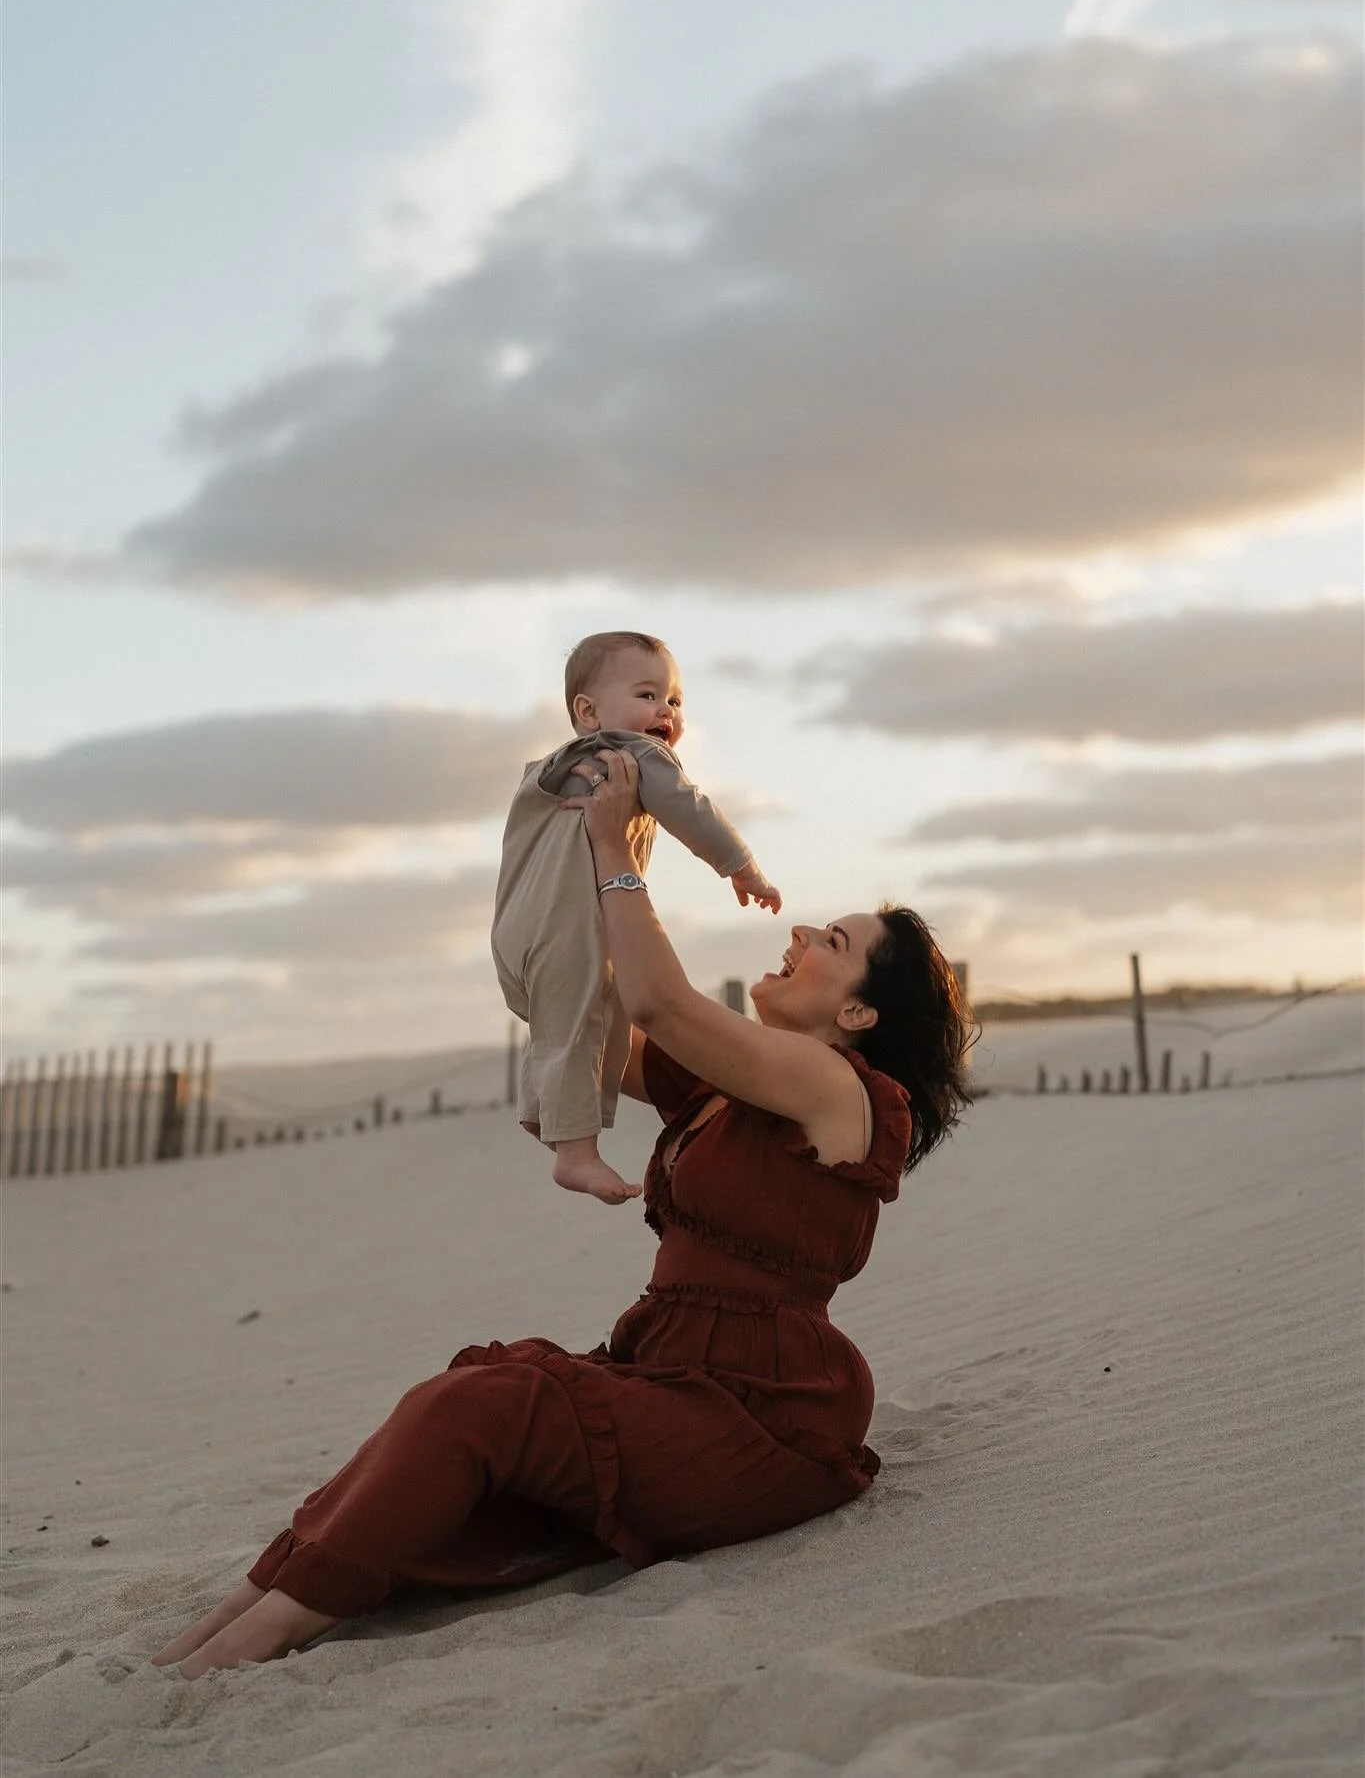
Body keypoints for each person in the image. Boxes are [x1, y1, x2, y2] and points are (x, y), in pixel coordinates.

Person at [151, 747, 973, 1679]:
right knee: (444, 1402)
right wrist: (570, 863)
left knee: (487, 1404)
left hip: (763, 1414)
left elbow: (659, 1000)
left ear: (862, 1014)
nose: (798, 939)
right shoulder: (721, 1087)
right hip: (665, 1370)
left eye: (831, 942)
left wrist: (617, 851)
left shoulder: (840, 1090)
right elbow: (581, 1021)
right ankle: (233, 1616)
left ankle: (243, 1651)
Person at [492, 630, 781, 1205]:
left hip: (515, 931)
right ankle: (576, 1155)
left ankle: (540, 1112)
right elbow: (689, 808)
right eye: (648, 695)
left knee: (558, 1021)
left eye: (674, 701)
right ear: (589, 712)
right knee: (588, 1020)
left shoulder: (546, 772)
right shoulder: (637, 755)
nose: (665, 712)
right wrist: (741, 866)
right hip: (568, 927)